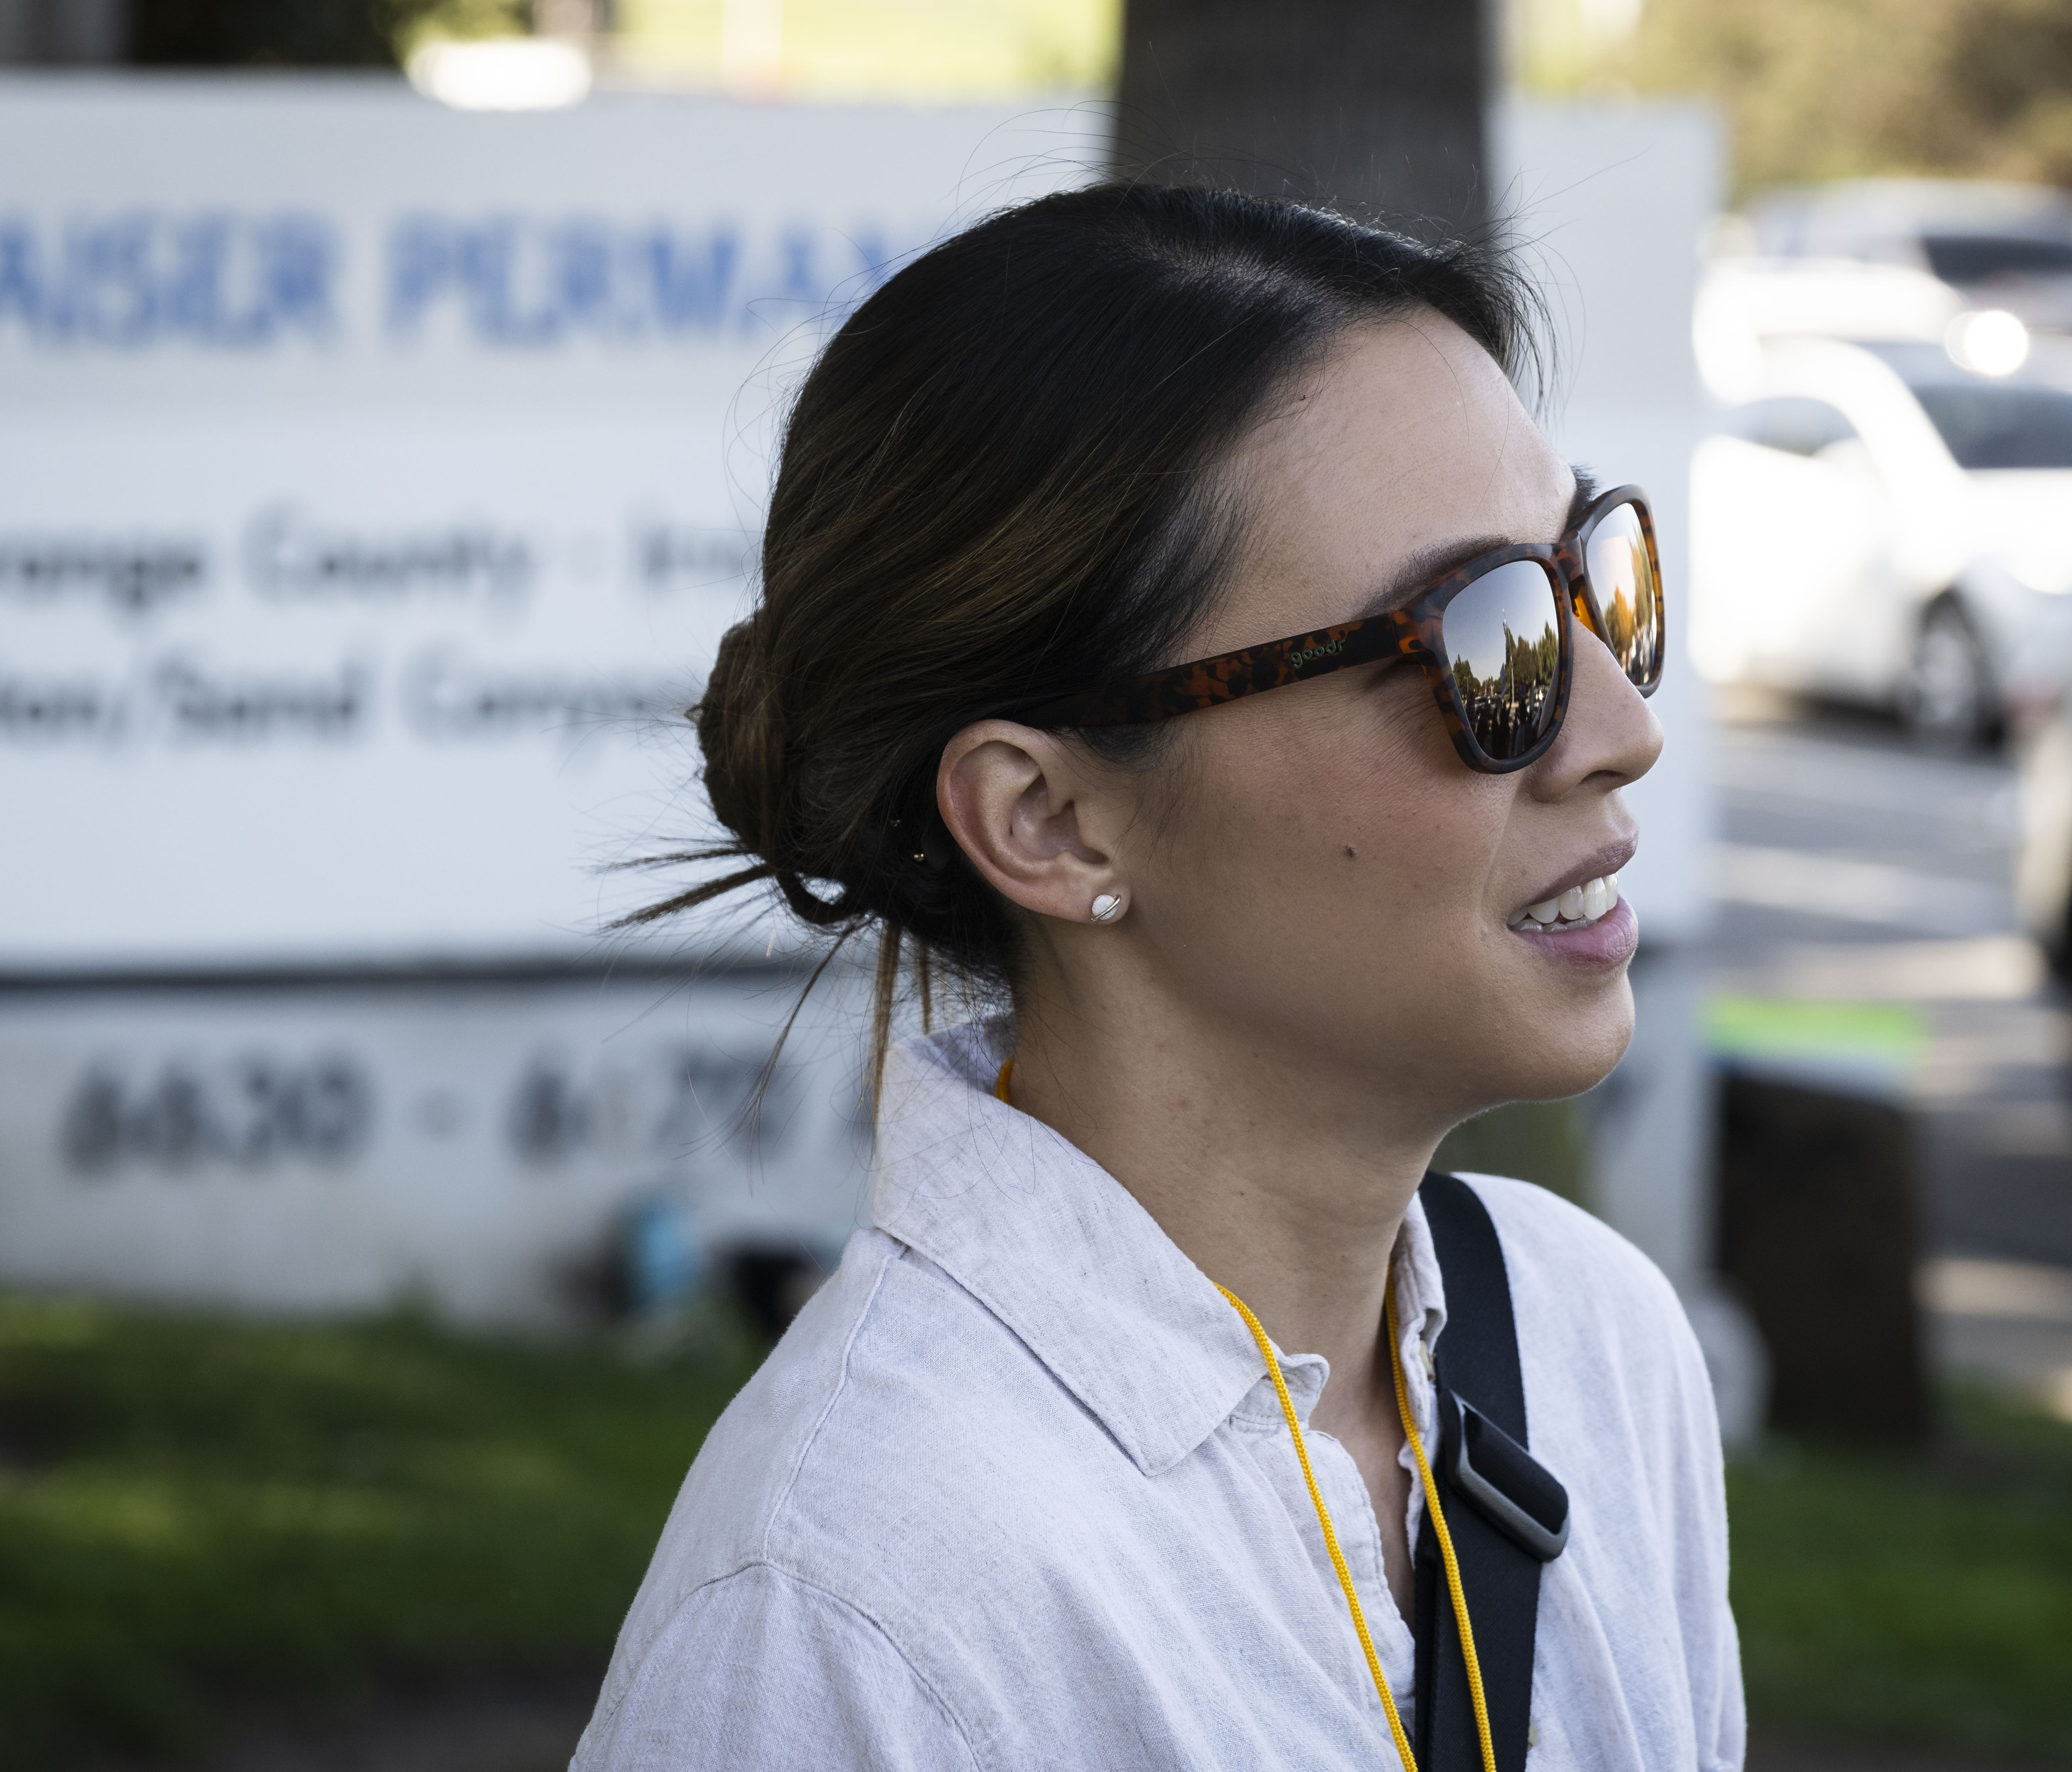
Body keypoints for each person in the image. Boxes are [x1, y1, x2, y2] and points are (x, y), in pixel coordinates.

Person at [572, 185, 1743, 1769]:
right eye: (1486, 645)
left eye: (1593, 577)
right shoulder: (848, 1607)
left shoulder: (1588, 1343)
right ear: (1047, 819)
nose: (1617, 726)